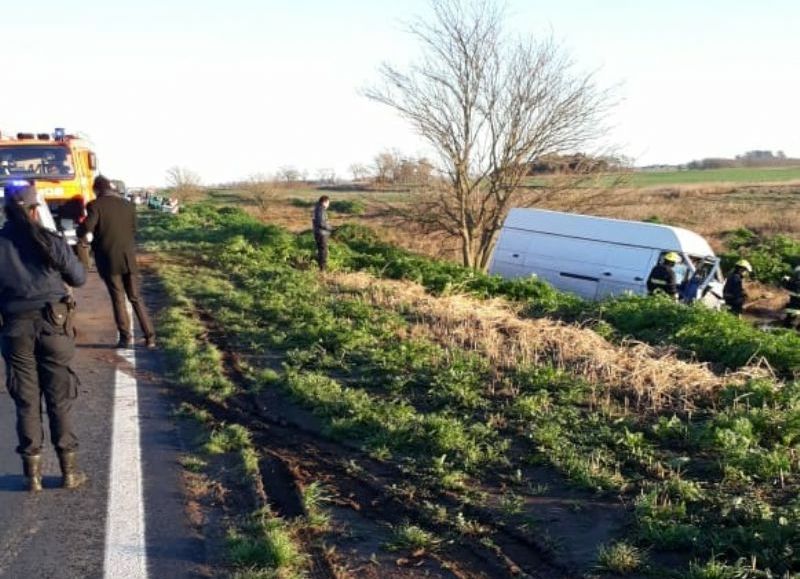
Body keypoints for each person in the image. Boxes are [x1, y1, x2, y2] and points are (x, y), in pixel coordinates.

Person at [0, 180, 87, 491]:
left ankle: (33, 475)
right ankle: (69, 471)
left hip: (14, 327)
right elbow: (78, 278)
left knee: (26, 401)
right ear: (36, 210)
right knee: (59, 399)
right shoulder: (49, 240)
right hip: (54, 324)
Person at [77, 175, 156, 349]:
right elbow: (134, 229)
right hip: (129, 257)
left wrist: (80, 230)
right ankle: (150, 337)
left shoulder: (95, 205)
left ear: (96, 190)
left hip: (108, 258)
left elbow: (87, 228)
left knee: (118, 298)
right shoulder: (129, 205)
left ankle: (125, 338)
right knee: (135, 297)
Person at [312, 195, 333, 271]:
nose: (328, 205)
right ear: (325, 202)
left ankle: (321, 267)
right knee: (323, 251)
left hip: (318, 232)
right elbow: (321, 223)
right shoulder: (321, 209)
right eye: (328, 203)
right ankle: (323, 269)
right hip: (322, 234)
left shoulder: (317, 208)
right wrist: (330, 228)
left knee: (321, 250)